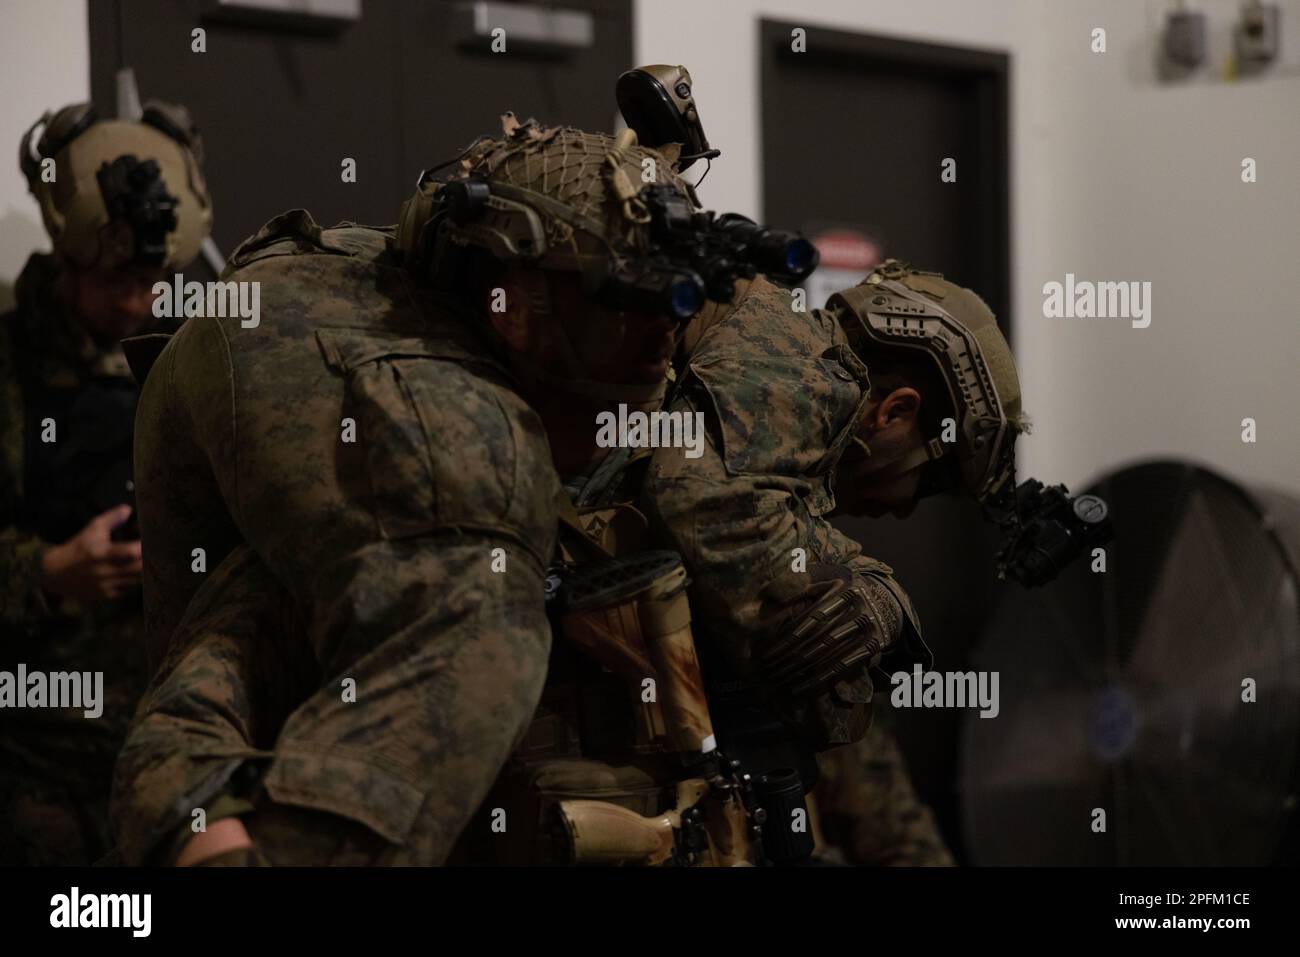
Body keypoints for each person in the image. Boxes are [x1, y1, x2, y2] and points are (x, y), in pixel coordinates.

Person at [111, 119, 788, 866]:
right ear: (507, 306)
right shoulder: (413, 473)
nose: (657, 337)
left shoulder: (645, 423)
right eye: (623, 309)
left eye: (674, 309)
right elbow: (194, 712)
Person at [643, 259, 1030, 865]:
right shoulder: (801, 367)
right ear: (895, 413)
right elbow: (705, 504)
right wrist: (876, 594)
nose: (905, 512)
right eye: (926, 483)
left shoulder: (767, 372)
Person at [0, 100, 212, 865]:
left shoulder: (189, 352)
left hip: (173, 740)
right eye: (114, 283)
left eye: (153, 282)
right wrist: (49, 573)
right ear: (66, 258)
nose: (135, 304)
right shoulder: (11, 365)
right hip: (36, 751)